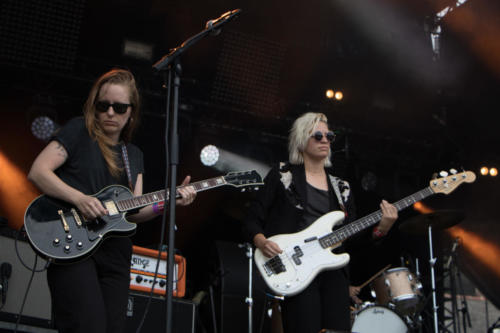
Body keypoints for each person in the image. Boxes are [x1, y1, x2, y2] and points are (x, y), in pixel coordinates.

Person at [27, 68, 196, 333]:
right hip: (76, 251)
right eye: (103, 105)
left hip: (116, 258)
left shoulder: (134, 155)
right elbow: (38, 171)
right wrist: (79, 199)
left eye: (118, 107)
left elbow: (136, 211)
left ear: (131, 112)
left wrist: (170, 201)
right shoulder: (78, 132)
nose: (109, 113)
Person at [243, 112, 398, 333]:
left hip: (333, 274)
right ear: (301, 140)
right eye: (317, 135)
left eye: (329, 136)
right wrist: (260, 241)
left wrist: (381, 229)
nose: (325, 140)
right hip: (295, 268)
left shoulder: (342, 188)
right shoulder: (282, 175)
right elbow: (252, 217)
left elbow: (352, 240)